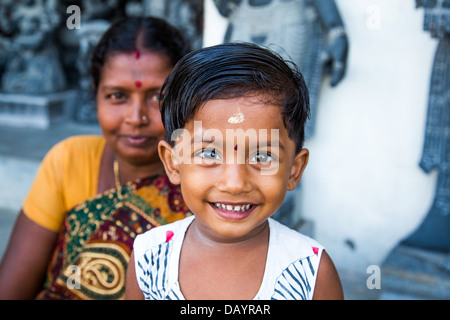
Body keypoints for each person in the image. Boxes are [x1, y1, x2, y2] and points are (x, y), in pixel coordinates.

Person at [125, 43, 343, 300]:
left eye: (262, 157)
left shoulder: (311, 271)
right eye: (209, 154)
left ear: (294, 170)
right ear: (173, 163)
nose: (235, 183)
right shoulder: (148, 258)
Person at [0, 16, 191, 300]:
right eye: (117, 96)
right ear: (95, 95)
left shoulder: (206, 184)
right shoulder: (69, 160)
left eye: (157, 97)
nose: (135, 118)